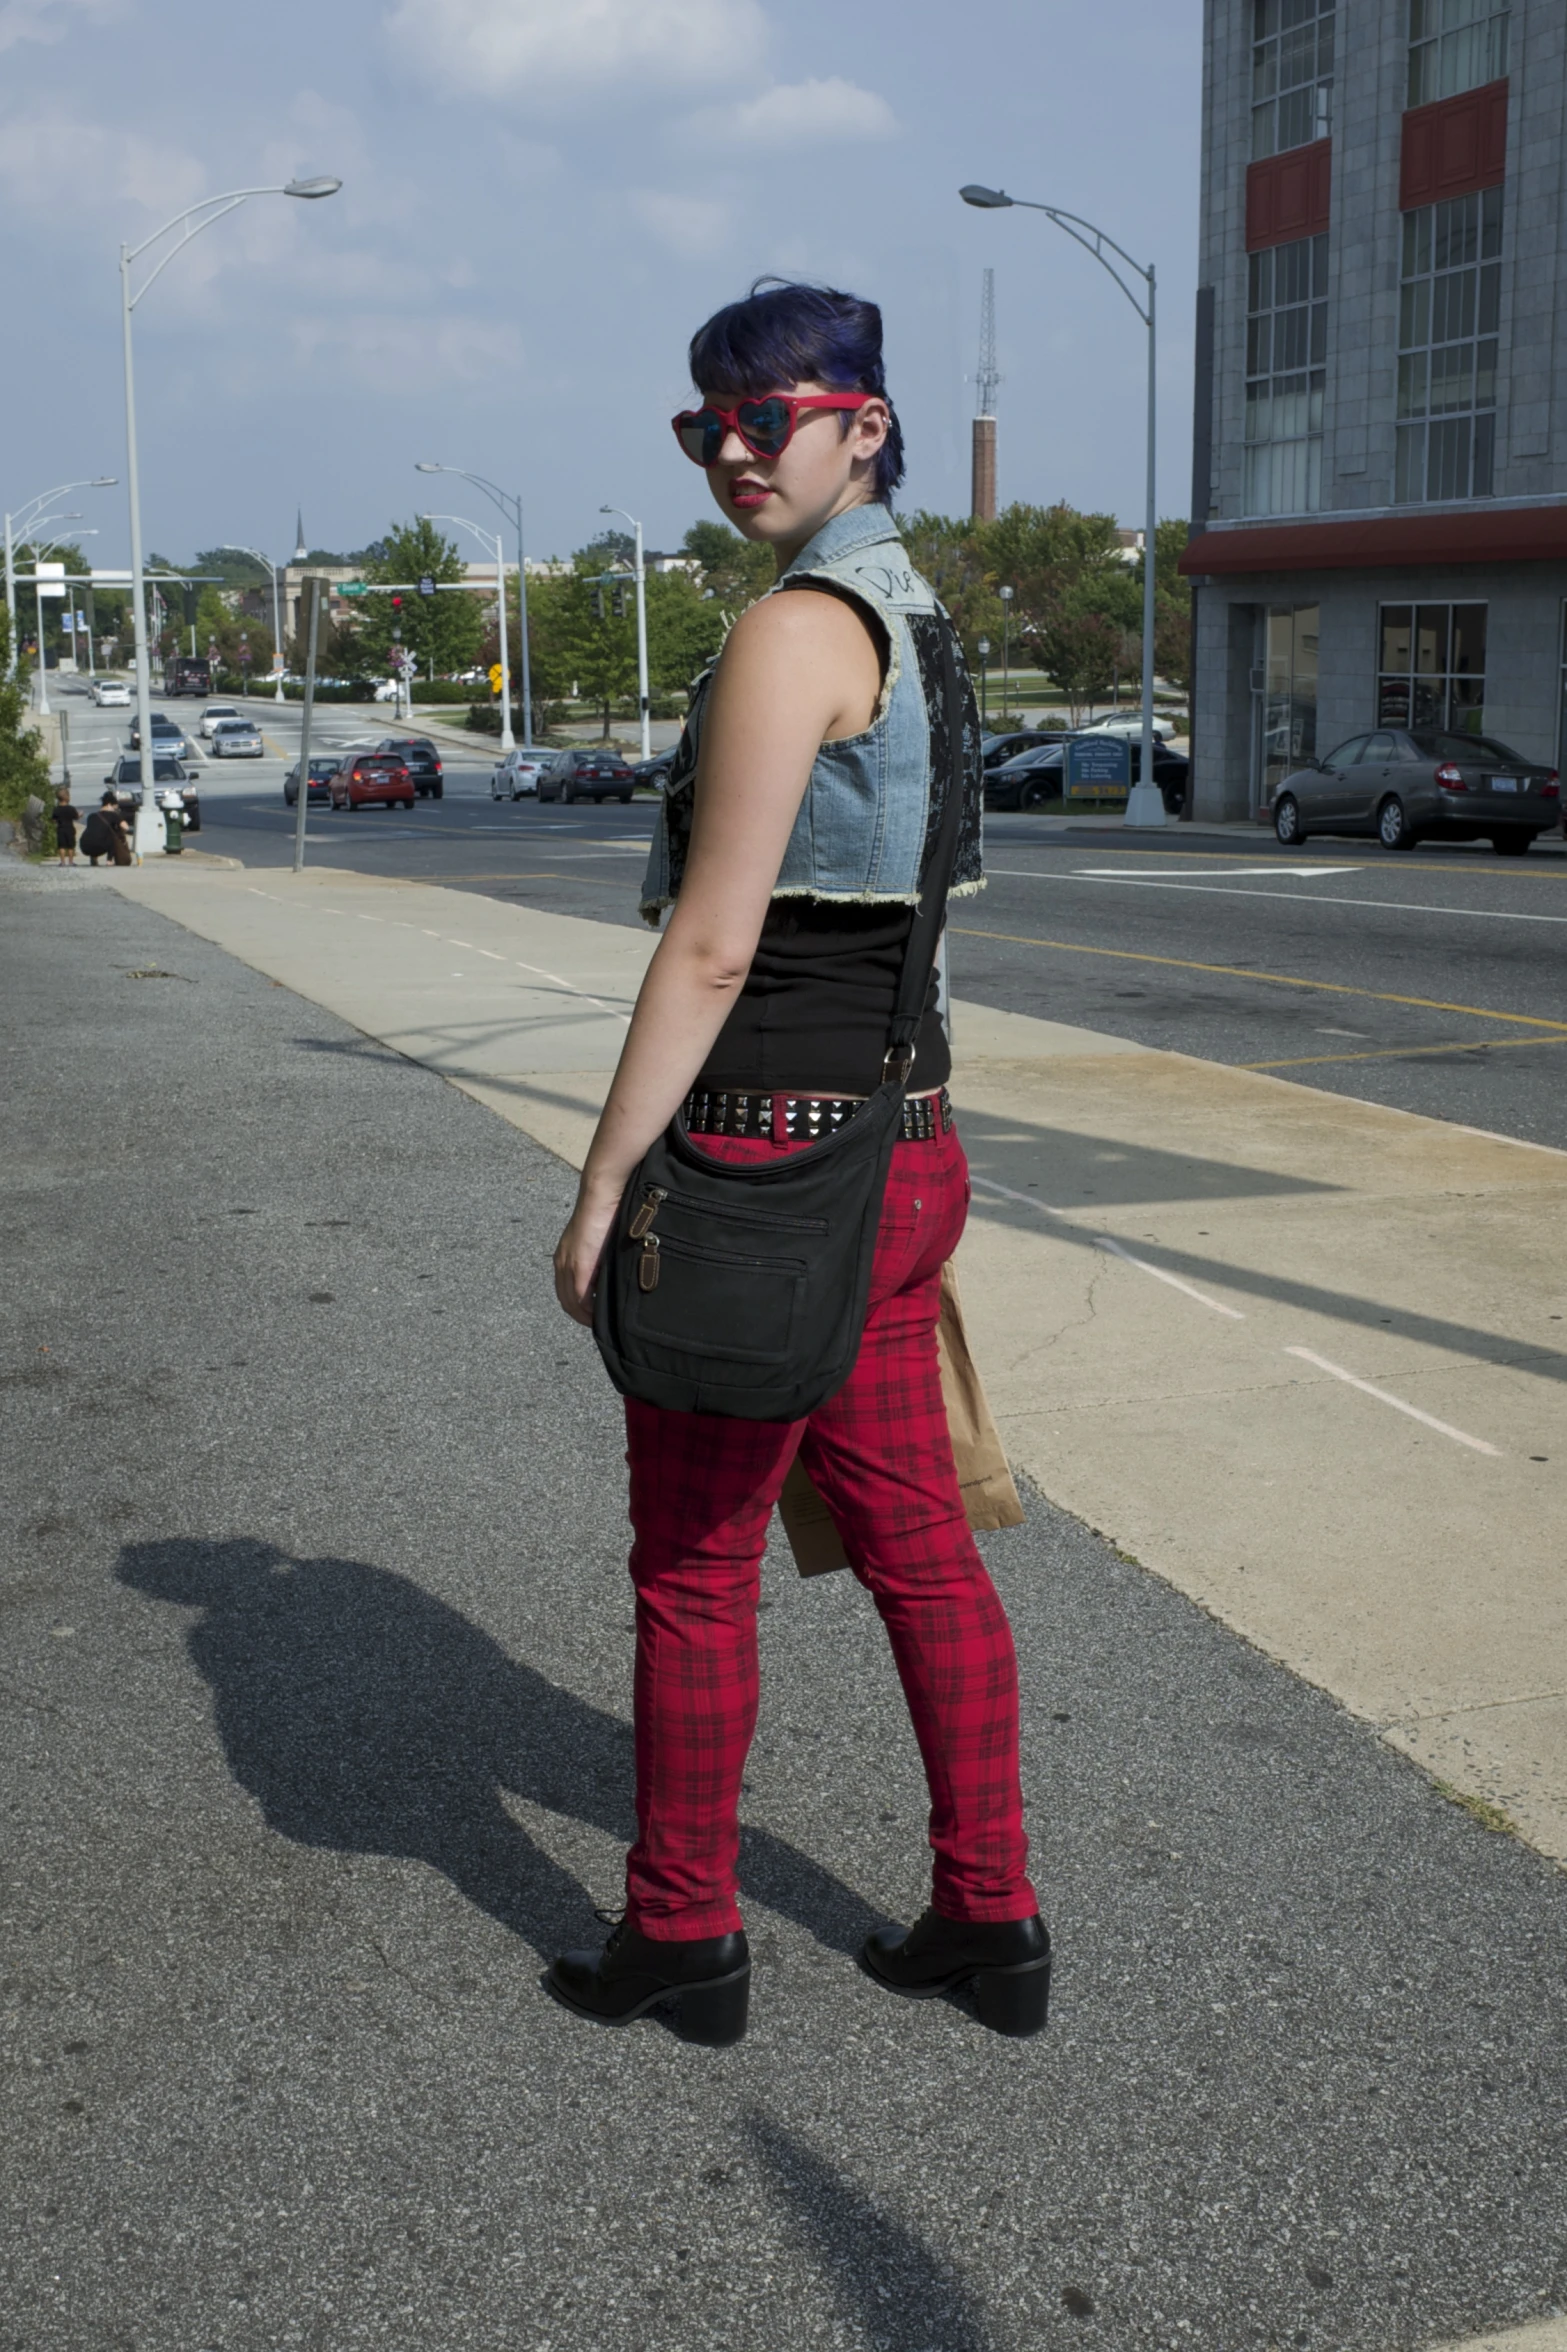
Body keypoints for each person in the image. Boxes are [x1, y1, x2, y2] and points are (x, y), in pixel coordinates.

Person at [547, 279, 1047, 2046]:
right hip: (903, 1148)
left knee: (694, 1564)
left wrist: (606, 1185)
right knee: (919, 1544)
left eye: (772, 416)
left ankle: (681, 1934)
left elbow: (708, 945)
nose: (736, 450)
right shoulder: (919, 620)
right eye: (708, 424)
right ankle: (990, 1918)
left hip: (764, 1163)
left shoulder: (792, 633)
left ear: (867, 421)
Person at [80, 790, 129, 868]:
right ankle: (109, 860)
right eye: (114, 808)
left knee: (97, 834)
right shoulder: (113, 815)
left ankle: (93, 858)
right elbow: (126, 827)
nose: (115, 811)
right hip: (100, 846)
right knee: (112, 835)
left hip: (84, 846)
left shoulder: (92, 816)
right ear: (109, 805)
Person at [53, 785, 79, 867]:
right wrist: (80, 815)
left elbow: (53, 819)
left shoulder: (56, 809)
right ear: (67, 797)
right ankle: (71, 862)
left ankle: (63, 862)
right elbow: (76, 817)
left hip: (60, 829)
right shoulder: (71, 809)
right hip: (70, 829)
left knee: (62, 846)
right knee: (71, 846)